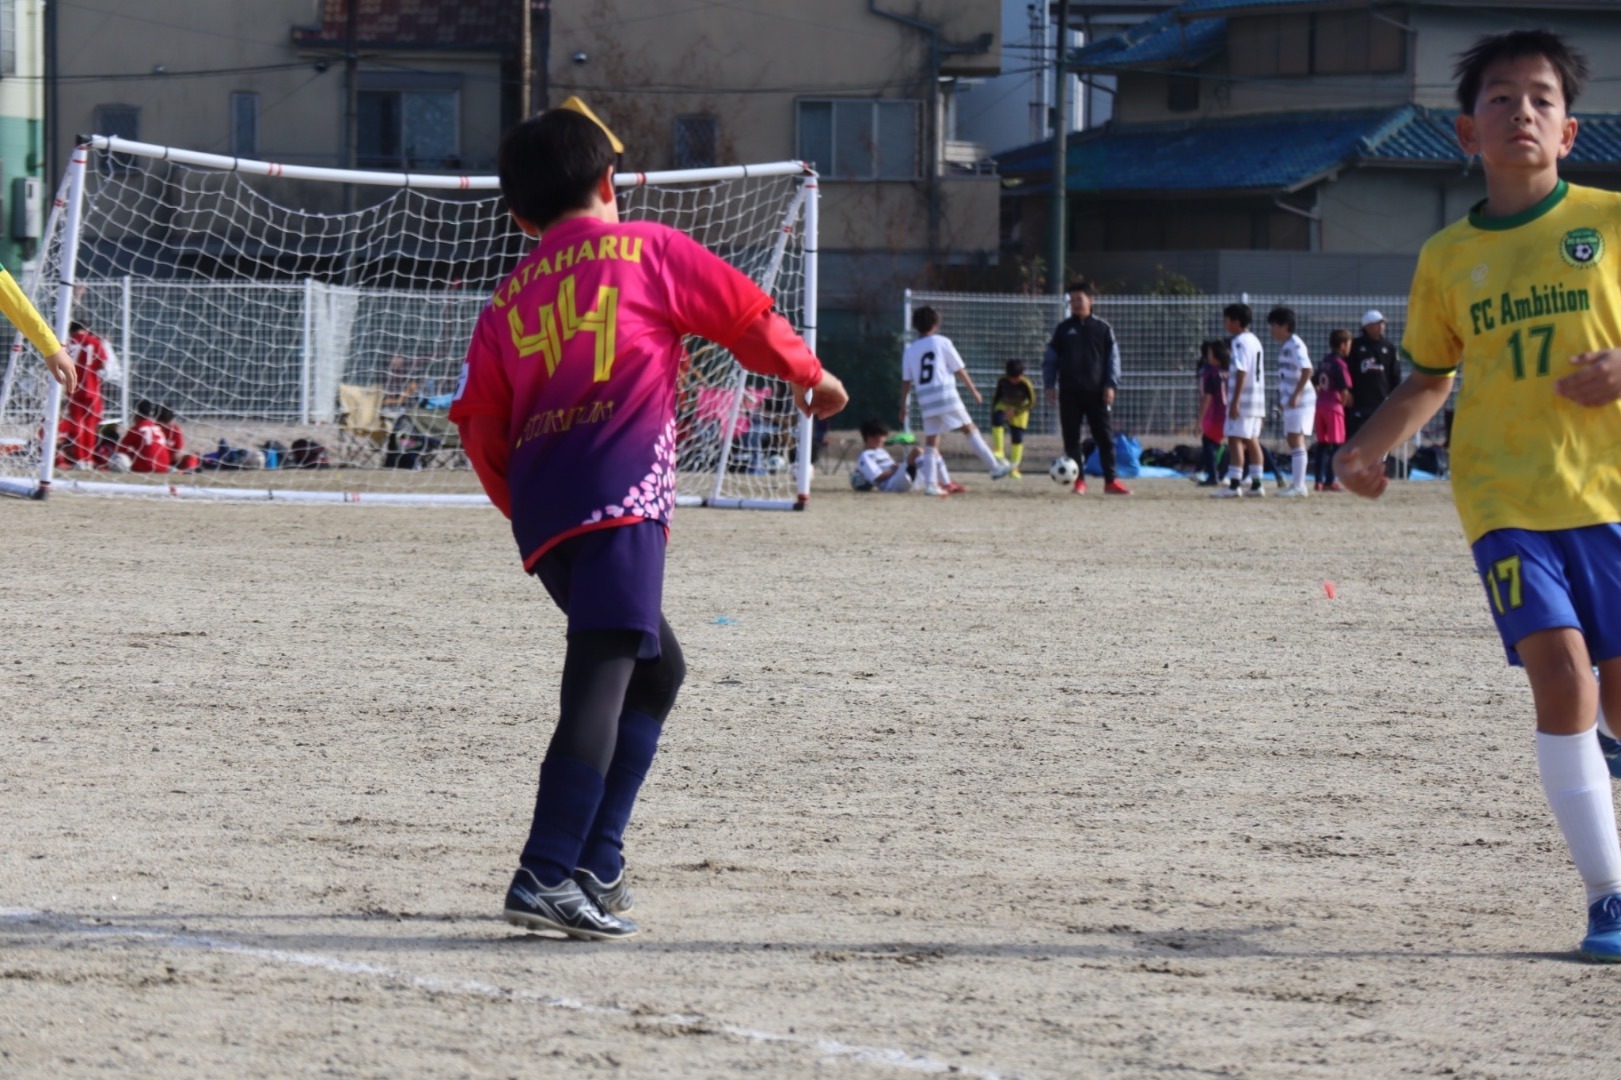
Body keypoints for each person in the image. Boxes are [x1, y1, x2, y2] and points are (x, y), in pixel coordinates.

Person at [448, 102, 848, 941]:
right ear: (609, 182)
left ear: (518, 217)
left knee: (657, 670)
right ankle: (546, 871)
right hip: (621, 498)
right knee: (602, 674)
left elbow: (480, 426)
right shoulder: (649, 249)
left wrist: (524, 507)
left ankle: (595, 861)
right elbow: (743, 316)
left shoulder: (507, 299)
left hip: (547, 515)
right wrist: (809, 376)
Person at [1336, 30, 1621, 962]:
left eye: (1540, 99)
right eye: (1500, 98)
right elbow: (1429, 378)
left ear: (1568, 130)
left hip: (1611, 497)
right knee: (1562, 677)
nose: (1520, 113)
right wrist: (1364, 448)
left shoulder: (1611, 223)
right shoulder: (1446, 257)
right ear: (1466, 131)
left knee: (1615, 700)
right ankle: (1607, 898)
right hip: (1501, 500)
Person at [899, 306, 1011, 496]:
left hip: (925, 399)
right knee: (969, 429)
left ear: (915, 326)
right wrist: (973, 390)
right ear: (936, 323)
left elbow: (906, 382)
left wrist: (903, 406)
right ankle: (994, 467)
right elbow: (959, 369)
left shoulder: (910, 351)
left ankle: (931, 485)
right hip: (945, 395)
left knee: (931, 441)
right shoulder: (943, 342)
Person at [1043, 277, 1131, 495]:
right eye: (1072, 300)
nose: (1075, 304)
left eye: (1079, 299)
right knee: (1071, 438)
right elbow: (1050, 359)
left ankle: (1111, 481)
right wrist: (1049, 385)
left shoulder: (1102, 329)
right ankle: (1079, 481)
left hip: (1097, 393)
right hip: (1069, 393)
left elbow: (1113, 359)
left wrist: (1110, 384)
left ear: (1091, 300)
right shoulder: (1063, 330)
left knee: (1105, 438)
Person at [1211, 302, 1266, 497]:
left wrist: (1235, 401)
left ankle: (1234, 485)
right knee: (1252, 440)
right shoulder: (1255, 340)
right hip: (1256, 399)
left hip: (1243, 400)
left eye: (1226, 320)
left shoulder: (1239, 342)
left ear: (1235, 322)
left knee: (1235, 439)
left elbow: (1242, 371)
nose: (1225, 324)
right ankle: (1257, 484)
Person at [1267, 306, 1316, 497]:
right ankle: (1297, 484)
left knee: (1296, 438)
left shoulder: (1296, 344)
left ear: (1285, 326)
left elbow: (1307, 369)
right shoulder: (1286, 346)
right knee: (1292, 438)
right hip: (1292, 400)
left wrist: (1296, 395)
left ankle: (1299, 486)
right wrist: (1285, 398)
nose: (1271, 329)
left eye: (1274, 325)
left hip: (1301, 400)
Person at [57, 321, 110, 469]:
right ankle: (88, 459)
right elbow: (103, 365)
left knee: (77, 425)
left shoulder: (67, 342)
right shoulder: (95, 342)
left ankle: (80, 459)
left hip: (73, 389)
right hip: (92, 389)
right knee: (90, 426)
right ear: (86, 329)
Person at [1346, 309, 1401, 439]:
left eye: (1382, 323)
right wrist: (1347, 391)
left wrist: (1394, 397)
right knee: (1357, 437)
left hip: (1382, 402)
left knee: (1380, 438)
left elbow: (1395, 374)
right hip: (1359, 402)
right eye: (1377, 323)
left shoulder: (1389, 347)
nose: (1381, 326)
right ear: (1367, 326)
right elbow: (1346, 370)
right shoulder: (1355, 346)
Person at [1313, 330, 1353, 491]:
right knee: (1336, 445)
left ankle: (1318, 481)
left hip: (1320, 405)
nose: (1349, 347)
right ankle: (1330, 481)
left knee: (1322, 445)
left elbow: (1315, 381)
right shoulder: (1339, 364)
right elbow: (1344, 390)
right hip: (1333, 407)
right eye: (1349, 344)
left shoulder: (1325, 361)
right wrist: (1343, 404)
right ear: (1343, 345)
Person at [990, 359, 1036, 478]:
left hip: (1020, 409)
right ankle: (999, 450)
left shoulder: (1026, 384)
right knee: (997, 419)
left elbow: (1031, 402)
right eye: (1012, 378)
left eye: (1017, 378)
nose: (1014, 380)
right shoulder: (1002, 381)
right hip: (1004, 404)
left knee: (1017, 438)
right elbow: (997, 397)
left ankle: (1014, 468)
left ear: (1022, 375)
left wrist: (1016, 411)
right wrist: (994, 411)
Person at [850, 418, 920, 493]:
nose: (881, 439)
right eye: (876, 436)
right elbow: (877, 477)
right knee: (917, 451)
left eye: (883, 435)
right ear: (867, 437)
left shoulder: (881, 451)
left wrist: (897, 466)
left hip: (899, 477)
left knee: (925, 455)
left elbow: (892, 466)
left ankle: (926, 483)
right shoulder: (865, 456)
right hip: (891, 484)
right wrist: (894, 470)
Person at [1195, 339, 1230, 486]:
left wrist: (1199, 421)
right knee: (1221, 444)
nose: (1207, 357)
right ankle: (1221, 473)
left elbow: (1207, 398)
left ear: (1216, 356)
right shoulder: (1228, 373)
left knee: (1208, 443)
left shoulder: (1212, 374)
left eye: (1210, 354)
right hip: (1228, 413)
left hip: (1215, 415)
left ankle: (1213, 475)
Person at [117, 398, 173, 473]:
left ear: (136, 414)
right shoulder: (157, 427)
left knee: (119, 458)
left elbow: (121, 450)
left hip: (147, 467)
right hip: (164, 466)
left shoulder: (136, 429)